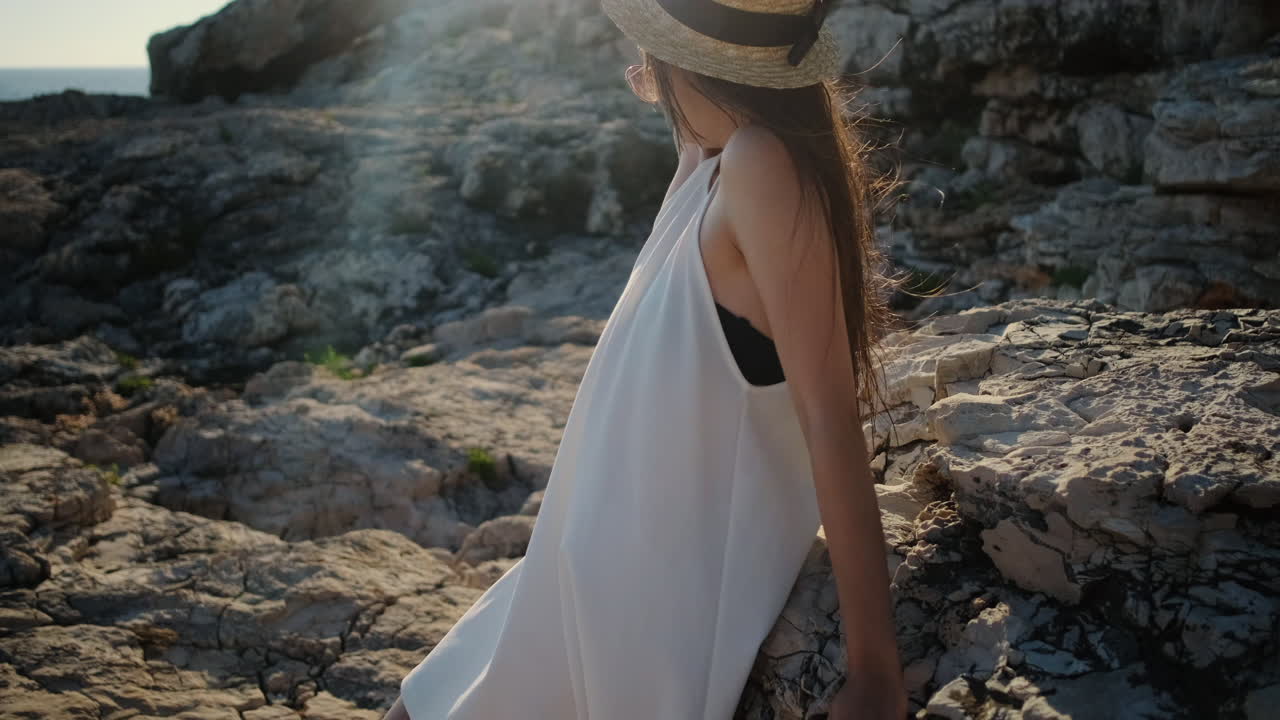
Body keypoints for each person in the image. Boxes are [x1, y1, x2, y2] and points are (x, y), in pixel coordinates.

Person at [385, 1, 910, 718]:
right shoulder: (715, 163)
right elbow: (695, 141)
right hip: (576, 574)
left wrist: (875, 670)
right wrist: (677, 82)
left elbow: (829, 415)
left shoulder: (760, 168)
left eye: (654, 53)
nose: (644, 71)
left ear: (700, 66)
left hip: (642, 611)